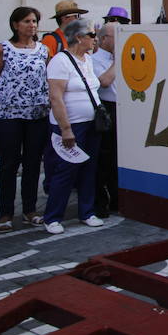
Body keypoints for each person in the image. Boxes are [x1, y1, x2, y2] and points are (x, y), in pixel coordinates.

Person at [43, 19, 106, 234]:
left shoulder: (87, 60)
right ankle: (52, 217)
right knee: (66, 170)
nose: (94, 39)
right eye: (91, 35)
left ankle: (87, 212)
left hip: (91, 124)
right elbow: (56, 97)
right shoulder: (60, 61)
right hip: (71, 126)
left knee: (89, 168)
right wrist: (66, 129)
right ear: (79, 37)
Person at [0, 7, 49, 231]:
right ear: (15, 24)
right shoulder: (2, 49)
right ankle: (6, 213)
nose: (32, 25)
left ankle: (30, 210)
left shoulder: (43, 50)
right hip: (7, 115)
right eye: (26, 21)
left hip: (36, 115)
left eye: (34, 21)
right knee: (8, 164)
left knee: (33, 163)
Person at [91, 22, 118, 218]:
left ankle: (117, 199)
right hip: (106, 108)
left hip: (124, 108)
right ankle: (100, 202)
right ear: (103, 39)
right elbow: (104, 82)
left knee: (120, 157)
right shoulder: (94, 59)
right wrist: (120, 60)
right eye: (115, 34)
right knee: (105, 157)